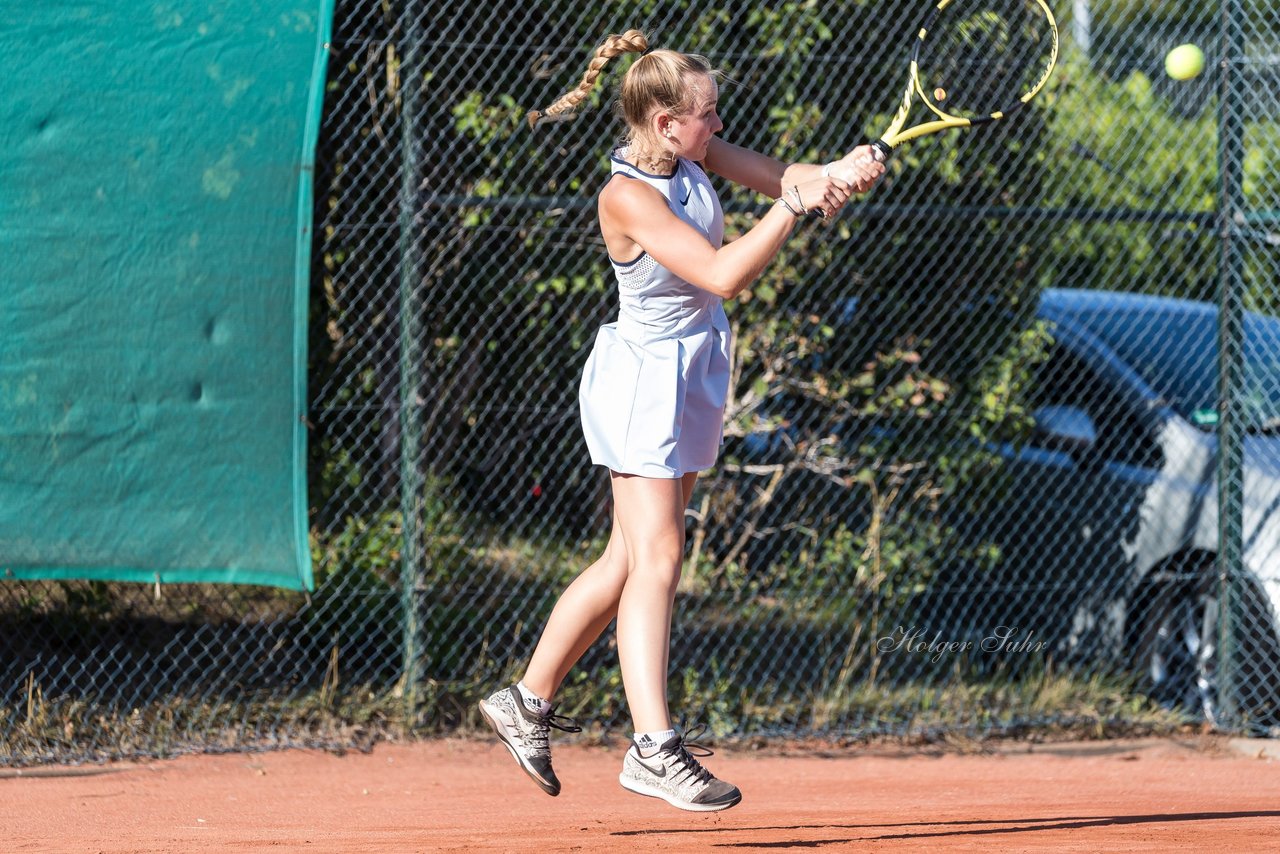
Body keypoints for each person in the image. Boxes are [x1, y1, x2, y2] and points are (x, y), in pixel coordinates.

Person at [479, 28, 884, 813]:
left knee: (626, 561)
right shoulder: (626, 195)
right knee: (660, 554)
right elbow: (723, 273)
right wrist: (795, 210)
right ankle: (653, 749)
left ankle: (525, 702)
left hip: (690, 376)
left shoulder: (696, 158)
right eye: (708, 116)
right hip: (642, 385)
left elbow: (781, 175)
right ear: (665, 124)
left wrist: (837, 172)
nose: (719, 126)